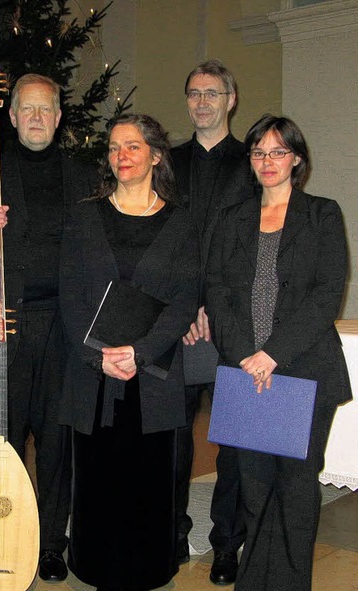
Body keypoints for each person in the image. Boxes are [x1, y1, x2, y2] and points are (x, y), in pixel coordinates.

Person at [0, 73, 98, 582]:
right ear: (10, 117)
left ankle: (51, 542)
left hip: (66, 326)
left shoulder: (83, 174)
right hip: (3, 326)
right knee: (3, 437)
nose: (36, 117)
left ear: (58, 117)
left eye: (46, 110)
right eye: (27, 109)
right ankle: (6, 533)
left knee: (58, 439)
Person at [205, 114, 351, 591]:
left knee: (294, 488)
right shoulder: (233, 218)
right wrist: (247, 354)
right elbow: (218, 289)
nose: (268, 161)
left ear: (297, 159)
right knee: (255, 486)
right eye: (259, 152)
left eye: (278, 152)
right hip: (245, 371)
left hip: (302, 372)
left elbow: (327, 293)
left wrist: (272, 354)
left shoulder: (322, 214)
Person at [59, 114, 200, 591]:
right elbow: (70, 293)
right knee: (97, 477)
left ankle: (145, 568)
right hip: (94, 372)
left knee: (149, 481)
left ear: (156, 155)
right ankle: (95, 564)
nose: (122, 156)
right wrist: (95, 355)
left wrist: (140, 351)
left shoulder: (180, 223)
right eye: (115, 147)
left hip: (153, 375)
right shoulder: (84, 216)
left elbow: (184, 299)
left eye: (133, 146)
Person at [171, 58, 253, 583]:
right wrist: (183, 306)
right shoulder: (166, 162)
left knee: (236, 442)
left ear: (231, 100)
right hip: (175, 323)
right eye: (194, 93)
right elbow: (156, 240)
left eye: (212, 93)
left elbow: (252, 246)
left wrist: (212, 306)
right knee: (172, 437)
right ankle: (171, 533)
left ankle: (226, 542)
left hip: (235, 321)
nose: (202, 102)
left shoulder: (255, 161)